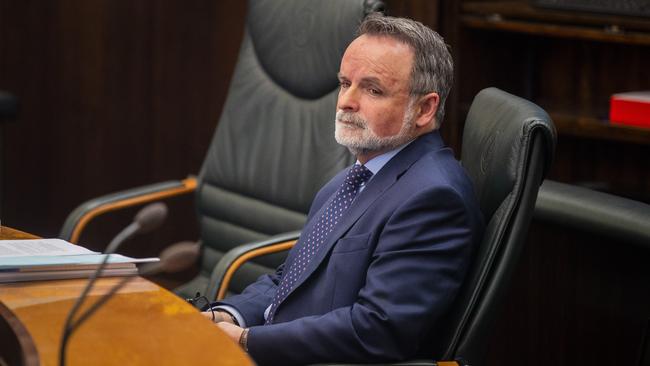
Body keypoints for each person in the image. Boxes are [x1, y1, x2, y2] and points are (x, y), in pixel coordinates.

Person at [203, 13, 484, 365]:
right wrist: (225, 317)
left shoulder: (434, 198)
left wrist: (246, 340)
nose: (346, 101)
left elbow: (377, 329)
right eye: (344, 83)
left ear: (425, 109)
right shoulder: (357, 176)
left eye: (372, 89)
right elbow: (289, 280)